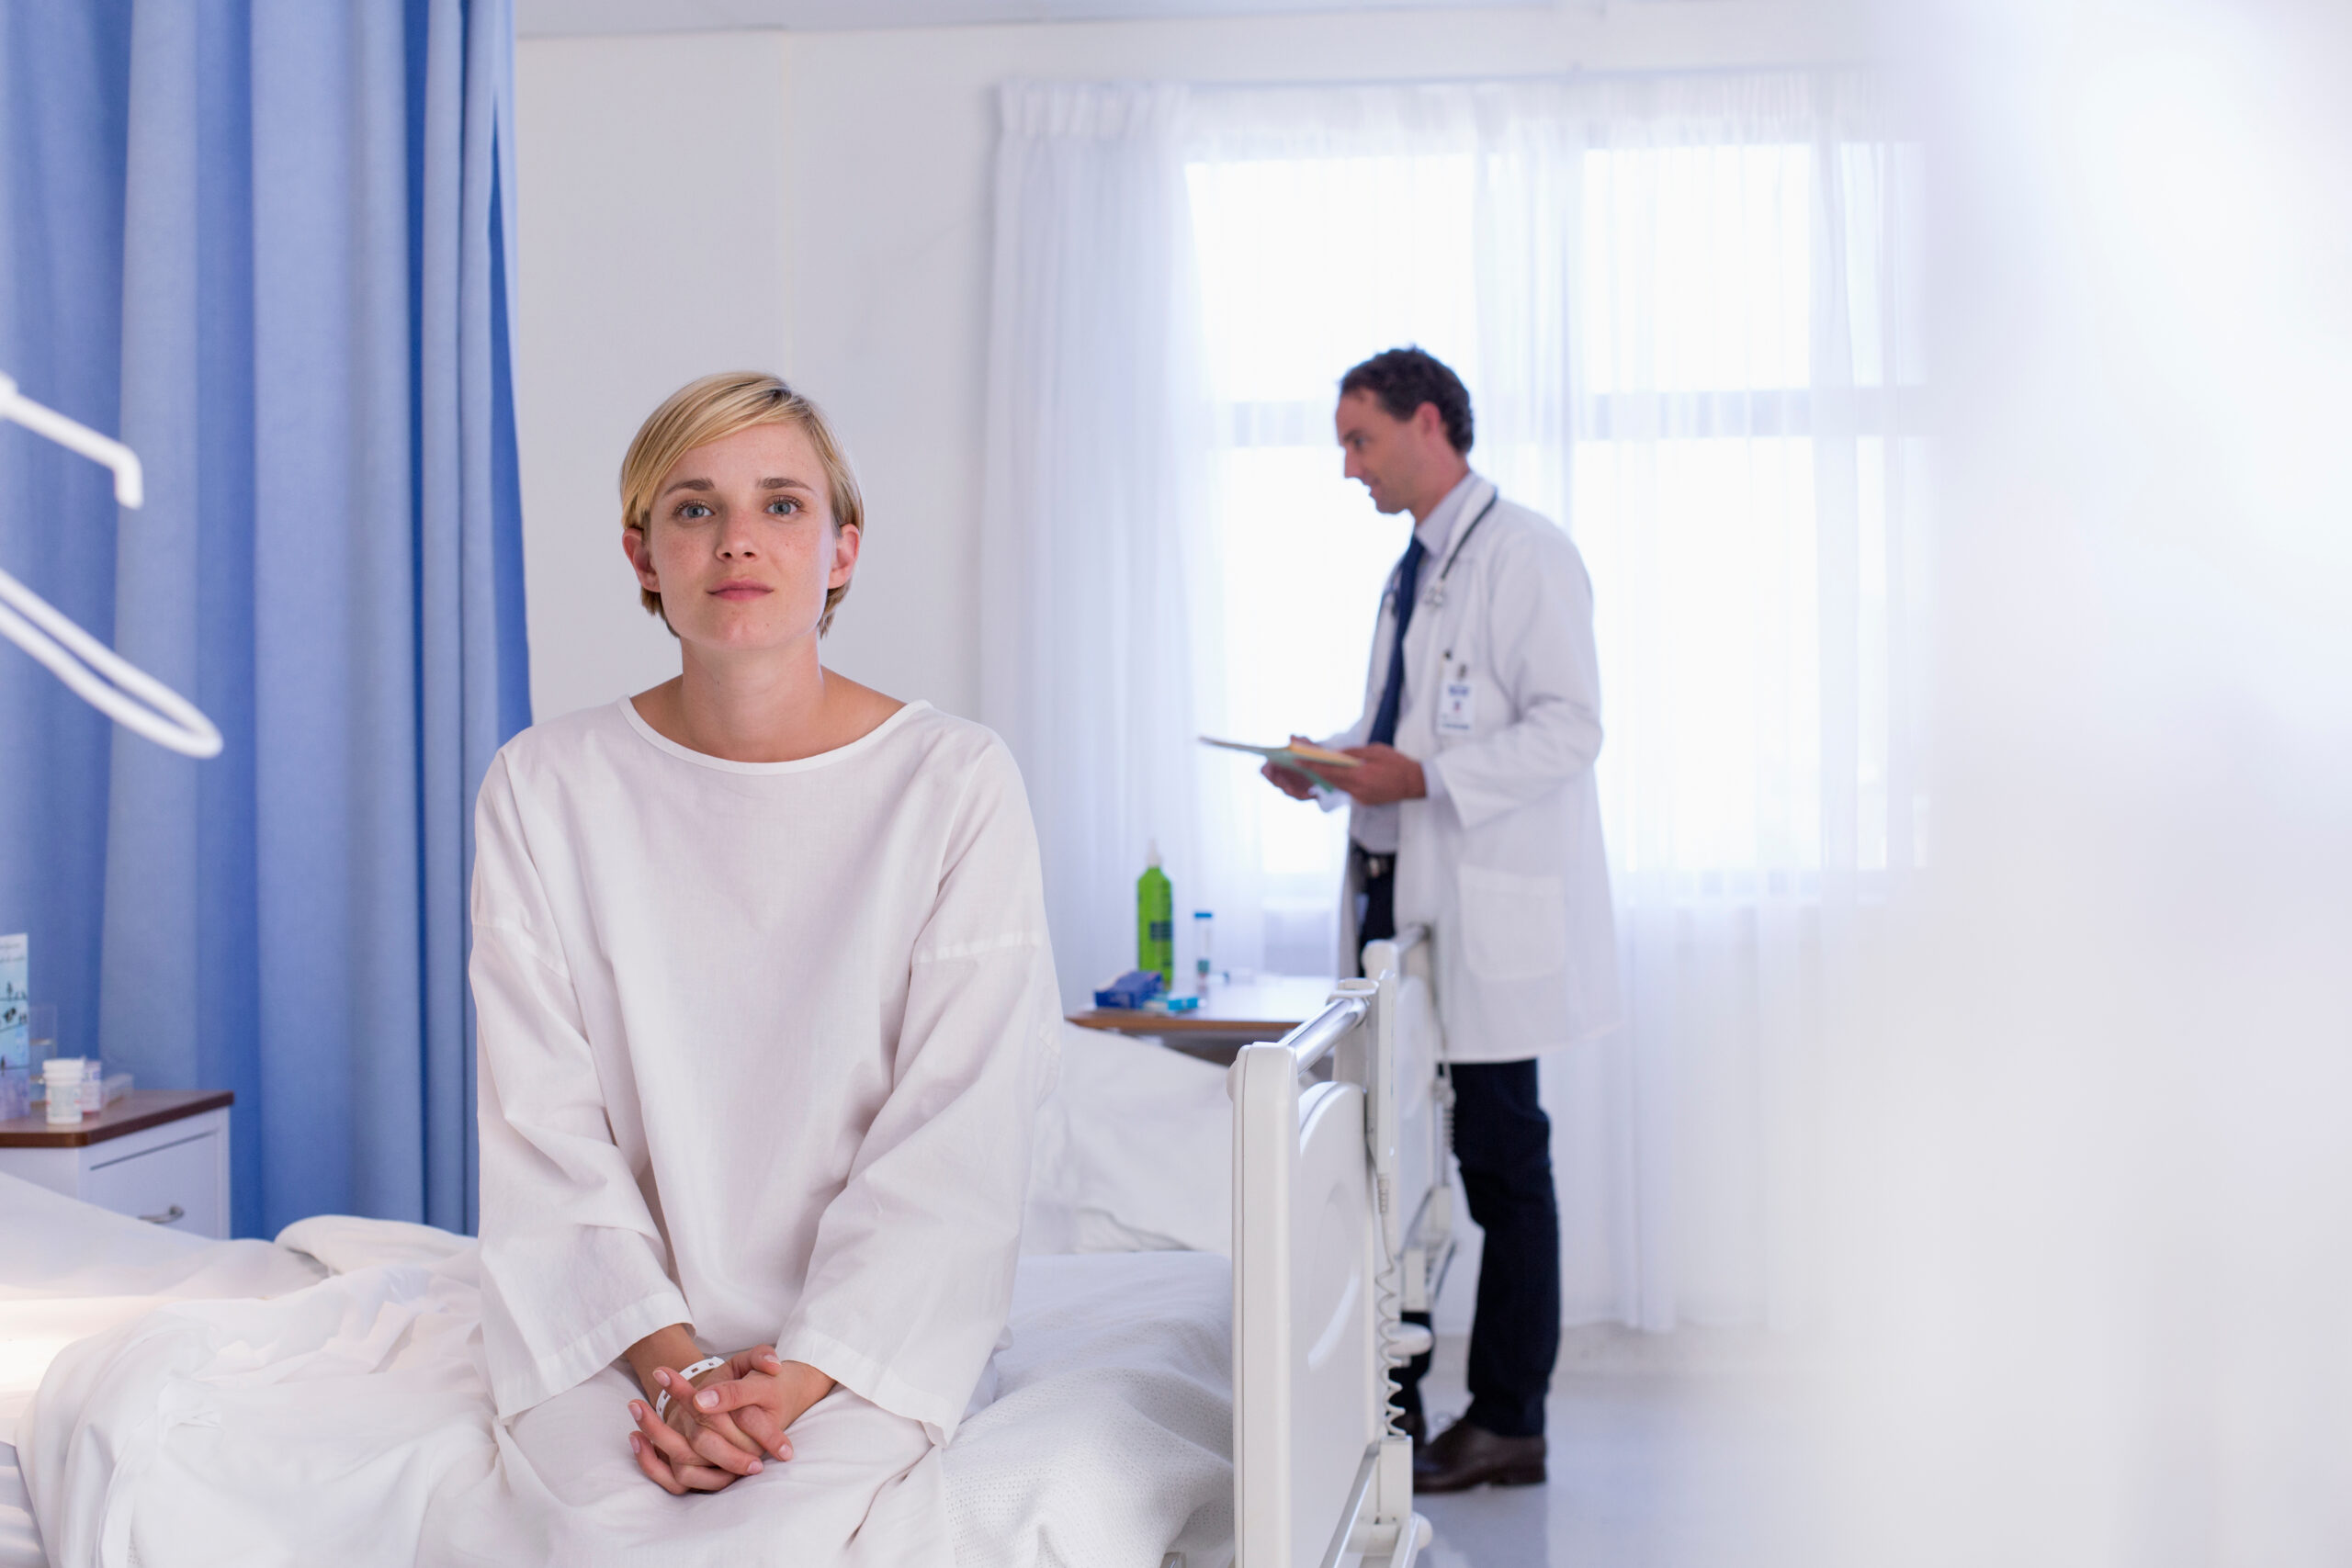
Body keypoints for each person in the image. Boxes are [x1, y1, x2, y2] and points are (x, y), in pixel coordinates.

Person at [469, 372, 1059, 1563]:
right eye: (693, 508)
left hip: (871, 1339)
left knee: (778, 1535)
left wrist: (796, 1375)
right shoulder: (544, 785)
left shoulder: (953, 783)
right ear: (641, 554)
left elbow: (962, 1129)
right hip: (617, 1335)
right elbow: (544, 1131)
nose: (737, 538)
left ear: (842, 550)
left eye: (781, 504)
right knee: (605, 1534)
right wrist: (676, 1365)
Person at [1262, 347, 1619, 1494]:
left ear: (1428, 423)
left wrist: (1419, 779)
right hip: (1401, 901)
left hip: (1480, 915)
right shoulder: (1414, 569)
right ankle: (1394, 1404)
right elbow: (1408, 731)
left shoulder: (1524, 555)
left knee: (1501, 1163)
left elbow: (1571, 728)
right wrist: (1328, 766)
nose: (1349, 467)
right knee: (1390, 1165)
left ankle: (1510, 1418)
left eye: (1359, 440)